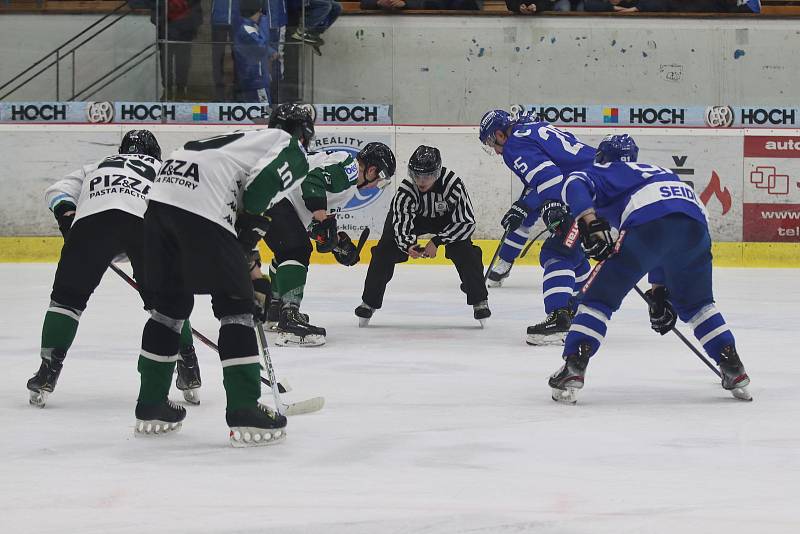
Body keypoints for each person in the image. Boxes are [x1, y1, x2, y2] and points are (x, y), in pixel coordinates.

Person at [134, 106, 313, 446]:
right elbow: (260, 191)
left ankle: (151, 403)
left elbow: (237, 215)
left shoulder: (241, 142)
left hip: (160, 201)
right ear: (304, 134)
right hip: (202, 206)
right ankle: (245, 407)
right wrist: (249, 275)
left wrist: (252, 267)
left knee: (169, 307)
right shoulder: (289, 145)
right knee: (236, 307)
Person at [547, 134, 751, 404]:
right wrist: (659, 292)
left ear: (603, 156)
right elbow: (667, 238)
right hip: (695, 225)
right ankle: (733, 366)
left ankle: (574, 366)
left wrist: (589, 222)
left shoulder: (605, 170)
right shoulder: (657, 171)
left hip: (648, 220)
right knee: (698, 304)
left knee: (598, 298)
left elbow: (574, 183)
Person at [27, 131, 201, 408]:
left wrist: (67, 215)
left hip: (92, 223)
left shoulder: (97, 165)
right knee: (168, 303)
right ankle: (189, 366)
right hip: (145, 223)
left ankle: (47, 372)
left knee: (66, 301)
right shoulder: (163, 168)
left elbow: (57, 190)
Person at [264, 139, 396, 346]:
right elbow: (312, 182)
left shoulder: (346, 183)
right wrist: (321, 218)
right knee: (296, 250)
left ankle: (274, 309)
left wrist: (337, 244)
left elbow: (313, 221)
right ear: (371, 169)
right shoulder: (350, 167)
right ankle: (289, 320)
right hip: (275, 196)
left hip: (270, 196)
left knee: (287, 250)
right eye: (380, 178)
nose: (376, 185)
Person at [479, 109, 593, 345]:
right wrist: (524, 205)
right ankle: (585, 307)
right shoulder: (531, 130)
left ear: (500, 134)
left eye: (493, 142)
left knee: (557, 251)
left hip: (586, 194)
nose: (496, 149)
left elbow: (550, 177)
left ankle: (560, 318)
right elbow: (554, 171)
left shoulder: (513, 146)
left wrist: (542, 204)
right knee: (572, 251)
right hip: (597, 184)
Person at [355, 145, 490, 327]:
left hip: (446, 221)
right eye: (416, 175)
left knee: (465, 252)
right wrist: (408, 245)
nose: (421, 181)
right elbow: (400, 225)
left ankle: (479, 300)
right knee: (384, 250)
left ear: (437, 173)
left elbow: (466, 223)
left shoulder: (453, 185)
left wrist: (438, 240)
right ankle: (369, 302)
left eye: (427, 176)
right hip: (414, 220)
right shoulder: (406, 191)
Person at [233, 0, 277, 104]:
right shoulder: (247, 29)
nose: (261, 15)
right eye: (259, 12)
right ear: (253, 12)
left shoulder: (251, 27)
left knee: (261, 111)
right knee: (264, 111)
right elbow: (261, 46)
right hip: (256, 80)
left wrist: (271, 52)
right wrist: (265, 22)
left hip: (257, 79)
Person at [210, 0, 240, 102]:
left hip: (238, 18)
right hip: (218, 18)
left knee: (239, 57)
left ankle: (237, 93)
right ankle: (219, 95)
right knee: (217, 58)